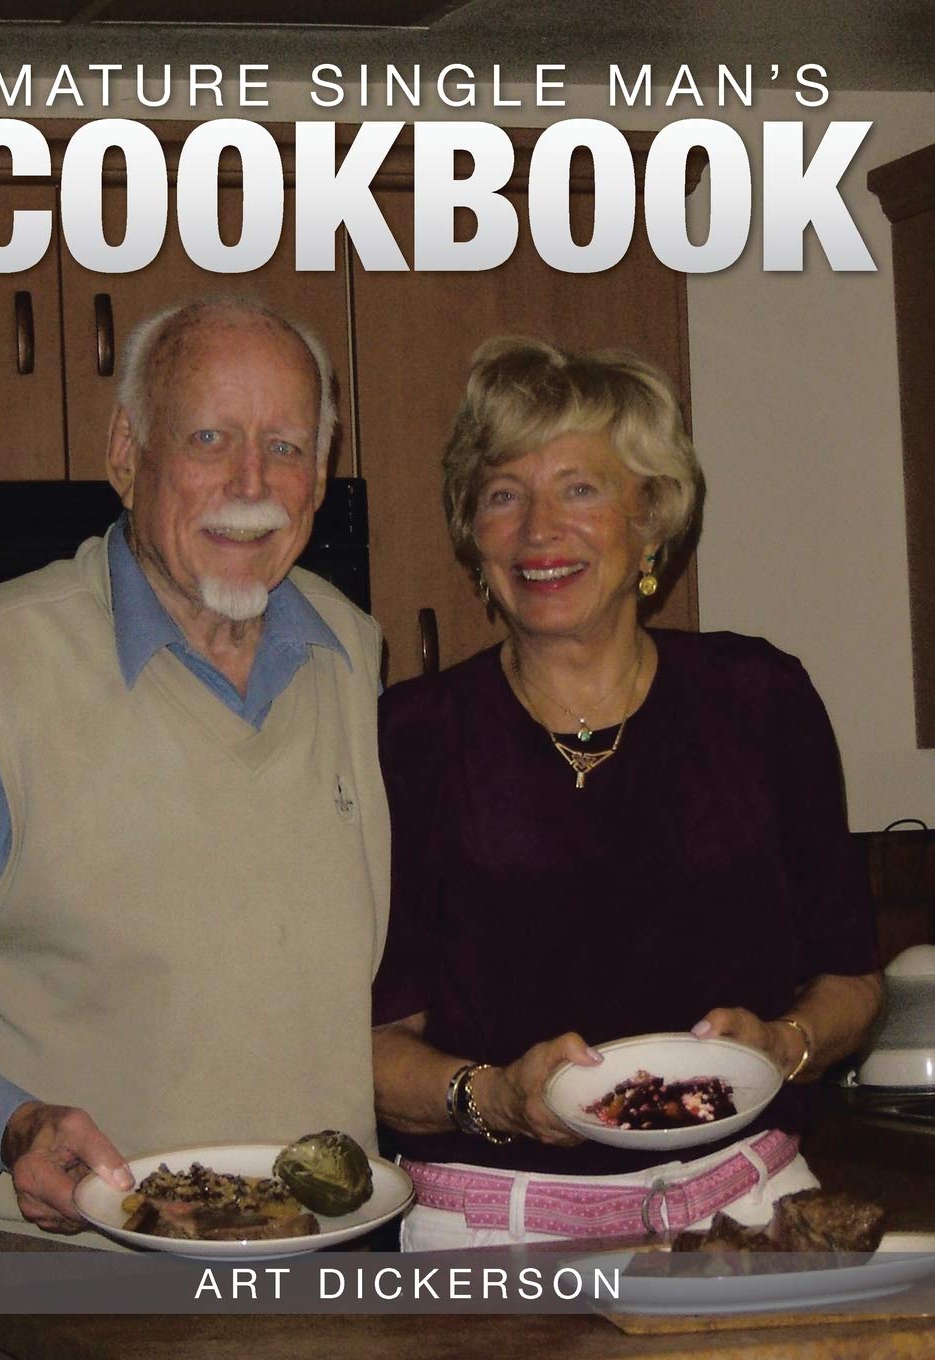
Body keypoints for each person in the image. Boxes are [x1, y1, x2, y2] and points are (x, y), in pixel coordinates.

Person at [0, 296, 389, 1270]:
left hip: (312, 1253)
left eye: (285, 446)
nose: (251, 484)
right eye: (209, 438)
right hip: (46, 1269)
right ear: (126, 453)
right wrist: (12, 1126)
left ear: (320, 474)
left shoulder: (349, 652)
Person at [371, 337, 882, 1252]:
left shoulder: (759, 698)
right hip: (494, 1236)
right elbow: (371, 1046)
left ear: (651, 517)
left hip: (748, 1211)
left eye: (579, 489)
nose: (538, 530)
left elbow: (851, 978)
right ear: (472, 533)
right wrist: (496, 1097)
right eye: (503, 494)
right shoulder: (411, 736)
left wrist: (784, 1046)